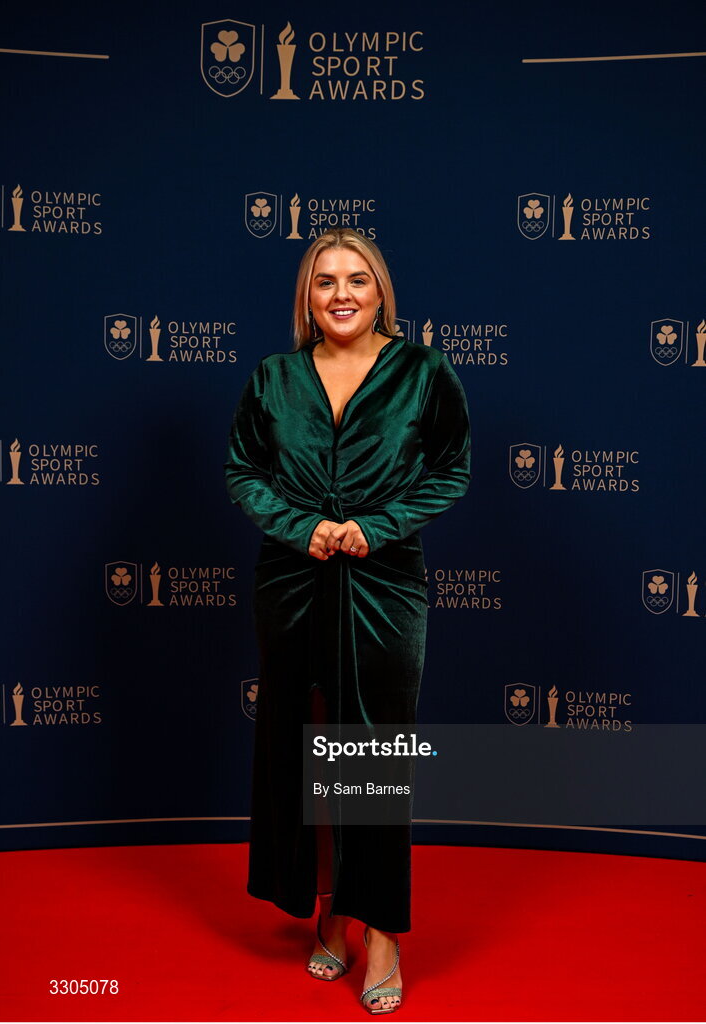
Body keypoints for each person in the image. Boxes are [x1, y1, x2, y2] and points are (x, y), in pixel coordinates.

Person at [224, 228, 470, 1014]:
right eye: (324, 281)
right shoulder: (273, 377)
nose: (340, 294)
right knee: (305, 750)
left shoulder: (425, 372)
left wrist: (379, 524)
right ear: (307, 296)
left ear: (379, 292)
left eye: (356, 280)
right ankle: (330, 907)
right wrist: (302, 525)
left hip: (385, 583)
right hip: (291, 581)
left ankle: (383, 931)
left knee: (369, 755)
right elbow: (243, 469)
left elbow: (450, 469)